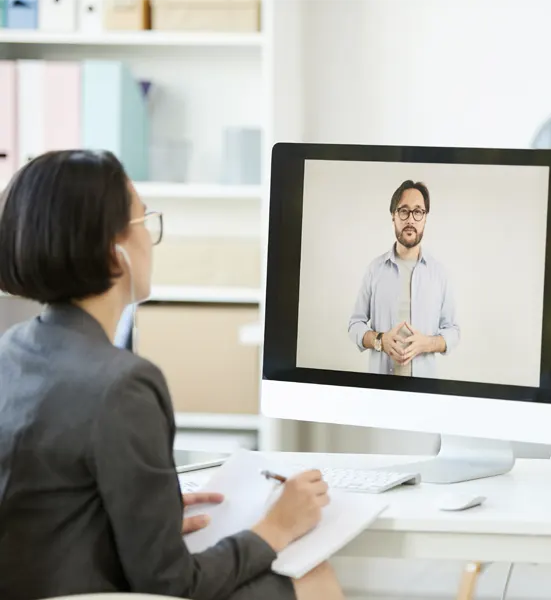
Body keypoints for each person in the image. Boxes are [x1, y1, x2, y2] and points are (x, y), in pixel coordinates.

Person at [0, 150, 344, 600]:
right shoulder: (123, 384)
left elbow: (45, 509)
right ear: (116, 251)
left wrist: (149, 513)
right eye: (145, 221)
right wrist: (276, 528)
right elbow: (173, 583)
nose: (151, 239)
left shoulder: (10, 350)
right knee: (312, 576)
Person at [348, 180, 460, 378]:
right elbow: (355, 325)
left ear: (425, 218)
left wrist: (428, 343)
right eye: (404, 211)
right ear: (393, 216)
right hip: (379, 388)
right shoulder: (375, 270)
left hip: (424, 389)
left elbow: (453, 331)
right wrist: (380, 340)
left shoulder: (439, 274)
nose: (410, 219)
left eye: (418, 212)